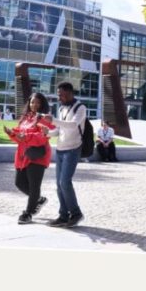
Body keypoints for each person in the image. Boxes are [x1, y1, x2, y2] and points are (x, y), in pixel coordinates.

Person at [4, 92, 54, 224]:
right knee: (19, 182)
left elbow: (42, 137)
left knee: (34, 186)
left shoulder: (45, 119)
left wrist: (25, 137)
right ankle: (38, 199)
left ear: (42, 104)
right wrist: (12, 133)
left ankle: (28, 213)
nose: (35, 105)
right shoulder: (25, 118)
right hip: (23, 155)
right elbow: (19, 136)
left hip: (37, 155)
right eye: (32, 102)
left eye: (38, 102)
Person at [47, 81, 87, 227]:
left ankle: (76, 213)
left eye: (63, 95)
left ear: (71, 93)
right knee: (59, 184)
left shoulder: (80, 108)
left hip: (73, 149)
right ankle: (63, 215)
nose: (60, 98)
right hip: (60, 150)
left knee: (65, 182)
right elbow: (60, 130)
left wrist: (53, 120)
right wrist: (47, 133)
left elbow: (72, 126)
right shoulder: (62, 108)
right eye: (59, 95)